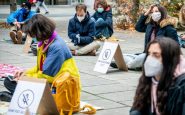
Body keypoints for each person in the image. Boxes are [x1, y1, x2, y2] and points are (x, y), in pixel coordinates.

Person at [3, 14, 80, 95]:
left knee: (13, 82)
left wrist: (25, 78)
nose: (29, 36)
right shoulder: (45, 42)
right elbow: (41, 68)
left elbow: (47, 76)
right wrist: (24, 72)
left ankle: (20, 96)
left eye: (31, 34)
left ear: (38, 32)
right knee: (9, 80)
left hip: (62, 86)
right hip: (52, 80)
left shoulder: (57, 47)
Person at [130, 37, 185, 115]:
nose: (150, 59)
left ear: (169, 58)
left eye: (156, 55)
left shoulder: (181, 86)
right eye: (149, 54)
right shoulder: (149, 79)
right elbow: (138, 106)